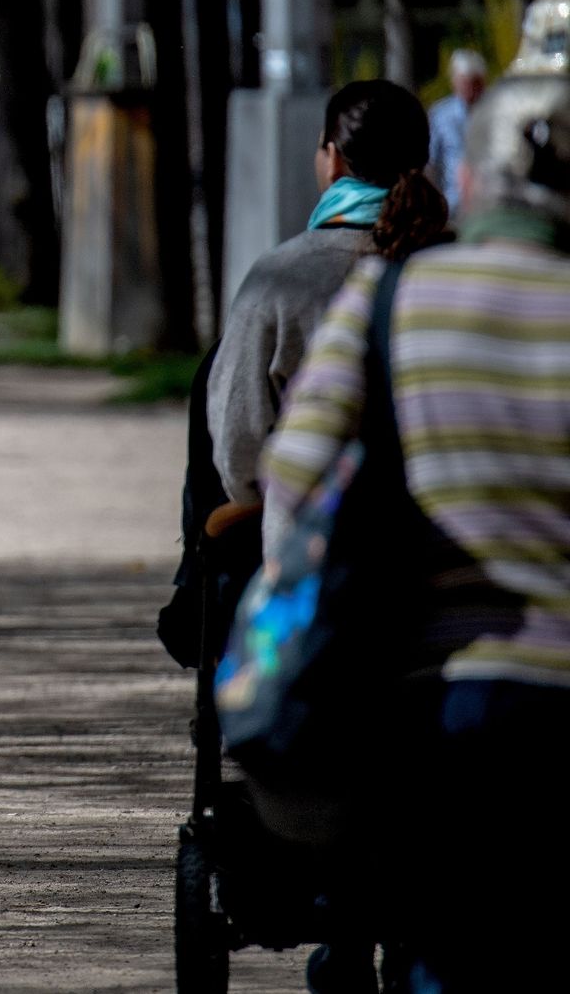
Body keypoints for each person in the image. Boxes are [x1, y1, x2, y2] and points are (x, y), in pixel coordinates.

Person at [262, 74, 570, 990]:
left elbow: (293, 491)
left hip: (440, 703)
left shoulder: (391, 303)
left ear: (471, 183)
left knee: (444, 950)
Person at [208, 79, 448, 519]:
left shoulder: (281, 278)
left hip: (313, 555)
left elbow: (238, 445)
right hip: (454, 554)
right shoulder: (461, 268)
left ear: (333, 158)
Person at [426, 48, 487, 203]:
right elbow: (432, 161)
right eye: (464, 81)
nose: (469, 88)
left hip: (487, 201)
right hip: (452, 201)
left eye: (474, 82)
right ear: (454, 81)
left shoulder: (494, 112)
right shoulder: (440, 115)